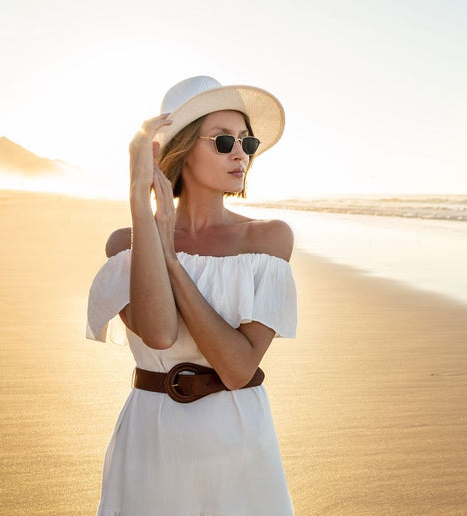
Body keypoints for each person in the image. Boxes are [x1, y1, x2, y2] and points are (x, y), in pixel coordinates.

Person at [85, 76, 297, 515]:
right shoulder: (124, 243)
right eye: (223, 141)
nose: (240, 153)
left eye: (246, 141)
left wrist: (172, 262)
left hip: (236, 436)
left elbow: (238, 368)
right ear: (179, 149)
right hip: (151, 435)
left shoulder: (267, 238)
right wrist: (140, 205)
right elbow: (159, 334)